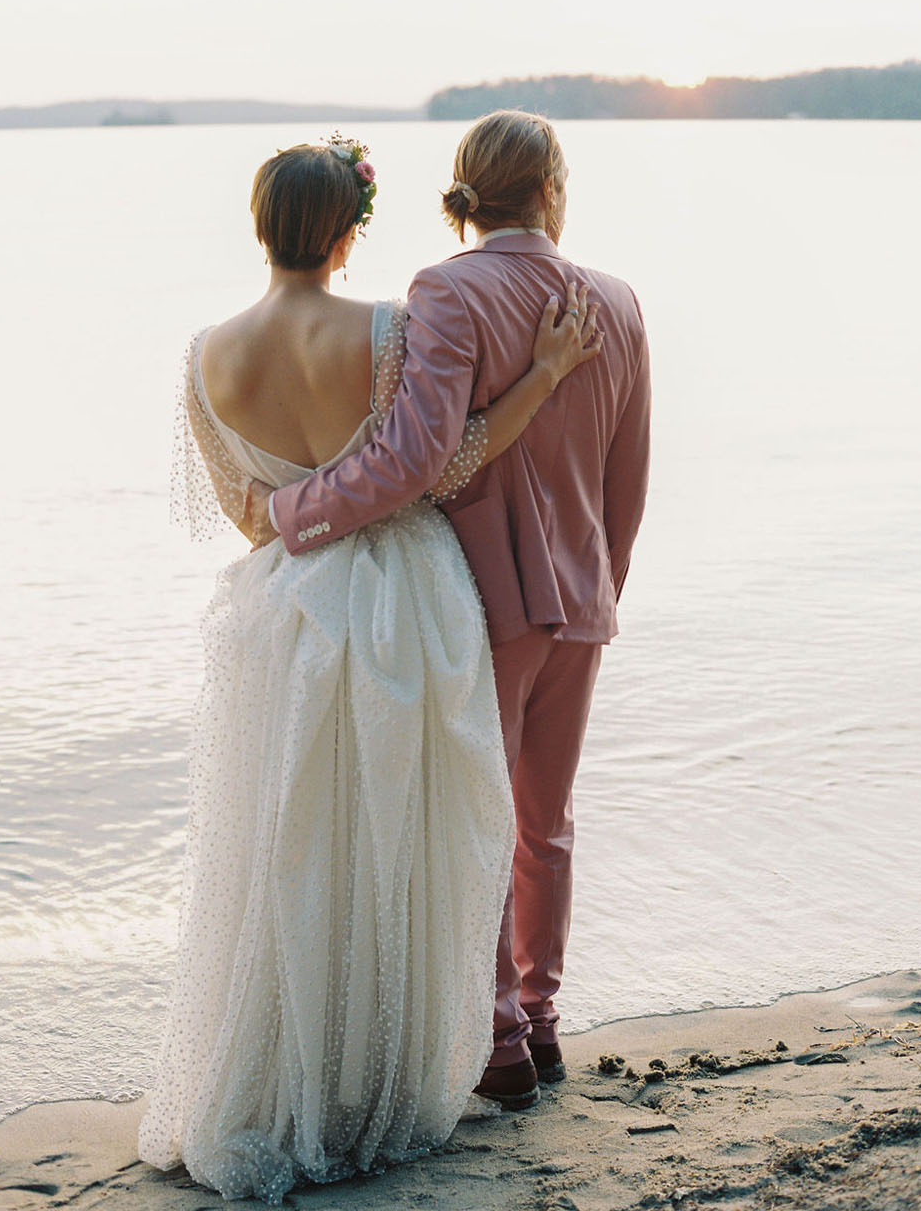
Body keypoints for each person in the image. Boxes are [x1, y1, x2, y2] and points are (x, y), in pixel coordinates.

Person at [137, 137, 602, 1202]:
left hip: (281, 615)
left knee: (289, 842)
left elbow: (247, 517)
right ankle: (384, 1071)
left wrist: (298, 513)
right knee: (399, 837)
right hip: (400, 601)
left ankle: (277, 1072)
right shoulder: (389, 328)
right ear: (349, 231)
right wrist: (544, 374)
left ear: (263, 225)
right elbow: (445, 465)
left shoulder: (207, 352)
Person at [247, 111, 652, 1112]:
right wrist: (603, 580)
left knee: (475, 819)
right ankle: (544, 1019)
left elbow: (415, 457)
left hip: (482, 599)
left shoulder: (445, 290)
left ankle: (501, 1036)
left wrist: (288, 510)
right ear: (552, 185)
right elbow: (627, 476)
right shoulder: (619, 300)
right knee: (544, 822)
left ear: (469, 189)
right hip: (582, 596)